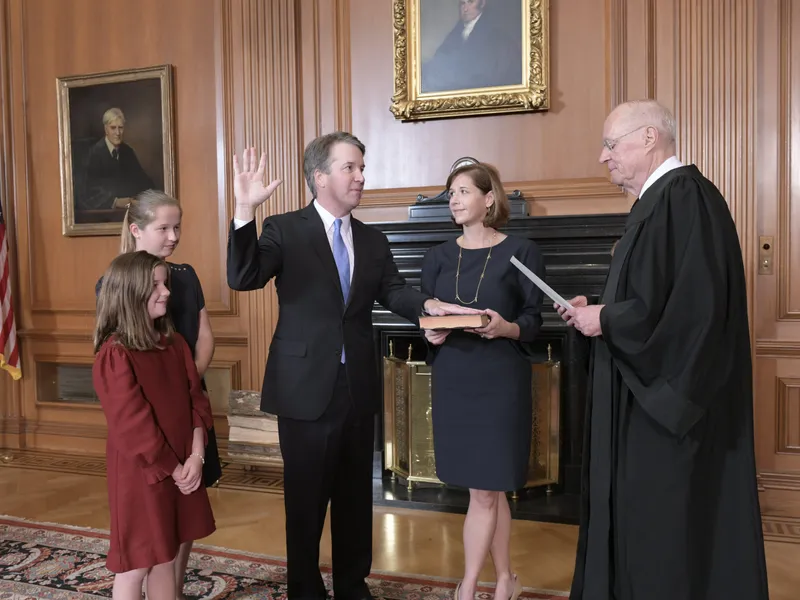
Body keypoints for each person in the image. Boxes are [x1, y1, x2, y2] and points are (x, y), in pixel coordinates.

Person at [226, 132, 479, 600]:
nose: (362, 176)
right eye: (351, 167)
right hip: (304, 387)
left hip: (357, 385)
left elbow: (393, 291)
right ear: (320, 177)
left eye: (363, 167)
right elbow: (243, 277)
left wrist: (428, 306)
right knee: (305, 500)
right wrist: (244, 213)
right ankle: (304, 587)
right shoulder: (284, 229)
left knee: (353, 498)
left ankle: (351, 584)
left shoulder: (371, 237)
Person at [558, 99, 770, 599]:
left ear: (649, 138)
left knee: (665, 531)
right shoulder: (657, 203)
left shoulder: (685, 197)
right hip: (642, 398)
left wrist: (607, 318)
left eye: (611, 144)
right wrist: (601, 308)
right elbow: (651, 297)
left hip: (669, 410)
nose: (602, 157)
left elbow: (693, 312)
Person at [420, 162, 544, 600]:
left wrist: (504, 327)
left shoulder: (521, 251)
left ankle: (469, 587)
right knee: (488, 489)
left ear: (489, 199)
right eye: (450, 192)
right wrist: (431, 332)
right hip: (454, 378)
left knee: (486, 492)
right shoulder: (436, 257)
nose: (453, 199)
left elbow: (534, 320)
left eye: (463, 191)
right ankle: (506, 579)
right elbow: (430, 322)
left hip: (500, 380)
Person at [95, 189, 222, 599]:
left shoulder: (174, 343)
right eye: (157, 287)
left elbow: (195, 399)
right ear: (131, 293)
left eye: (165, 284)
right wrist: (174, 465)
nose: (167, 293)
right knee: (138, 562)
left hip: (184, 462)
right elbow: (132, 423)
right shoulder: (115, 354)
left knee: (168, 557)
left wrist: (196, 456)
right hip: (146, 471)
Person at [81, 108, 155, 212]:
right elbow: (88, 191)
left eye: (120, 128)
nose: (117, 133)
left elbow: (142, 180)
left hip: (128, 211)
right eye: (113, 128)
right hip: (104, 215)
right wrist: (116, 202)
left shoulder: (127, 152)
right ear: (106, 129)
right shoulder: (95, 154)